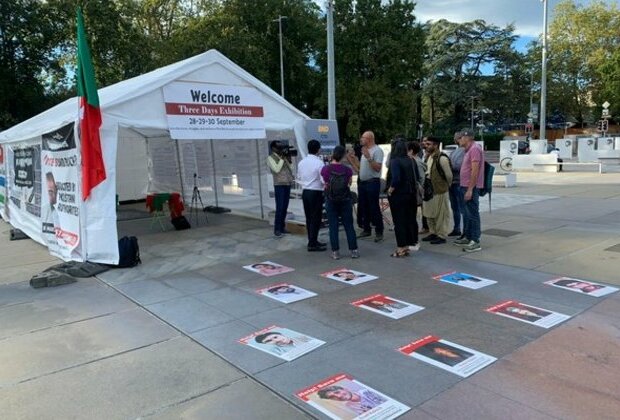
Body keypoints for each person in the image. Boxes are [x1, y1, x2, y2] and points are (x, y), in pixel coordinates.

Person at [321, 145, 359, 260]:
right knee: (349, 225)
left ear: (333, 154)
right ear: (343, 156)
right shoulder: (347, 170)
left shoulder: (325, 169)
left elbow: (325, 183)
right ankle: (354, 251)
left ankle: (335, 252)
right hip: (345, 199)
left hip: (331, 200)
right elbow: (349, 183)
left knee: (333, 226)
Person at [347, 131, 384, 243]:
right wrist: (352, 160)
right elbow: (360, 168)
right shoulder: (364, 151)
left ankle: (379, 231)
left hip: (372, 182)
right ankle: (366, 229)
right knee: (364, 206)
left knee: (374, 207)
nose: (361, 140)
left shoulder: (377, 151)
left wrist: (368, 157)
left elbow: (377, 168)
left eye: (363, 138)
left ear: (369, 139)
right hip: (363, 182)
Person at [386, 139, 418, 257]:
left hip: (399, 195)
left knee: (398, 221)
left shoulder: (395, 161)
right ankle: (407, 246)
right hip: (411, 194)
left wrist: (390, 190)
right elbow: (417, 177)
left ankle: (401, 247)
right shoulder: (411, 160)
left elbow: (396, 179)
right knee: (408, 220)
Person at [454, 130, 484, 252]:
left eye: (460, 138)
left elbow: (475, 171)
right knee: (467, 213)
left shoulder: (475, 149)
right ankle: (468, 237)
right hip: (464, 186)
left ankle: (475, 241)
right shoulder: (468, 150)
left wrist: (470, 189)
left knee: (473, 214)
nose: (458, 140)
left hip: (469, 187)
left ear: (467, 138)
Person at [422, 137, 453, 244]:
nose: (426, 145)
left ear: (435, 145)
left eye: (429, 144)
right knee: (429, 213)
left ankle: (441, 235)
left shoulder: (442, 158)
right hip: (429, 191)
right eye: (426, 143)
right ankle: (433, 232)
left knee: (441, 215)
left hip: (439, 190)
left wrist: (445, 186)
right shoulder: (428, 157)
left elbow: (449, 176)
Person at [297, 139, 326, 252]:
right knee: (316, 218)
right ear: (318, 150)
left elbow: (299, 177)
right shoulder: (319, 163)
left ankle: (312, 240)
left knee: (309, 218)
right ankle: (312, 243)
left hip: (306, 191)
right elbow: (323, 179)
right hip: (316, 191)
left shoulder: (302, 162)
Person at [267, 141, 294, 238]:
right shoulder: (270, 158)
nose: (280, 149)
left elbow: (290, 169)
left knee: (285, 207)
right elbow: (276, 169)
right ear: (273, 148)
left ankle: (282, 227)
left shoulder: (282, 157)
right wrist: (282, 158)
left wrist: (288, 159)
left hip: (287, 183)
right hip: (279, 185)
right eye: (278, 147)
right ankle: (277, 229)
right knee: (280, 207)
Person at [317, 385, 387, 415]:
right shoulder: (349, 405)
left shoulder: (365, 391)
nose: (339, 396)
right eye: (332, 397)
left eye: (337, 392)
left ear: (345, 389)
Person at [448, 131, 466, 238]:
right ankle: (457, 228)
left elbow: (460, 166)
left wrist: (450, 165)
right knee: (455, 208)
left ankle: (464, 230)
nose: (457, 139)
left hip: (459, 182)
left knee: (462, 208)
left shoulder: (465, 151)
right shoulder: (455, 152)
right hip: (452, 183)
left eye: (458, 138)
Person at [42, 172, 60, 236]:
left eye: (56, 192)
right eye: (50, 192)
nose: (54, 196)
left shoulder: (61, 213)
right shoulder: (43, 211)